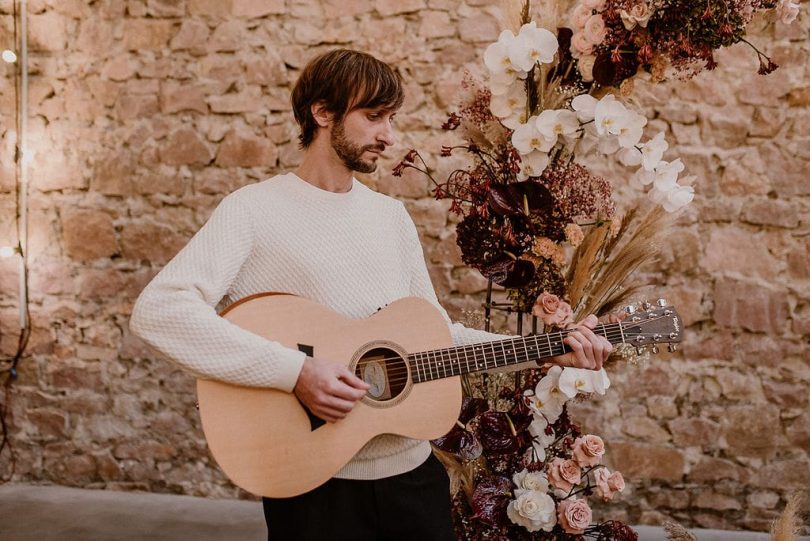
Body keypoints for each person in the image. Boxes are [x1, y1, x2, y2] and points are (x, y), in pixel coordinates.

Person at [129, 48, 612, 541]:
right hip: (313, 485)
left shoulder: (390, 218)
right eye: (374, 117)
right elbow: (159, 310)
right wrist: (296, 372)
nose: (389, 135)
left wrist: (551, 351)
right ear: (322, 112)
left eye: (392, 118)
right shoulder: (251, 212)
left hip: (413, 480)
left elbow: (434, 337)